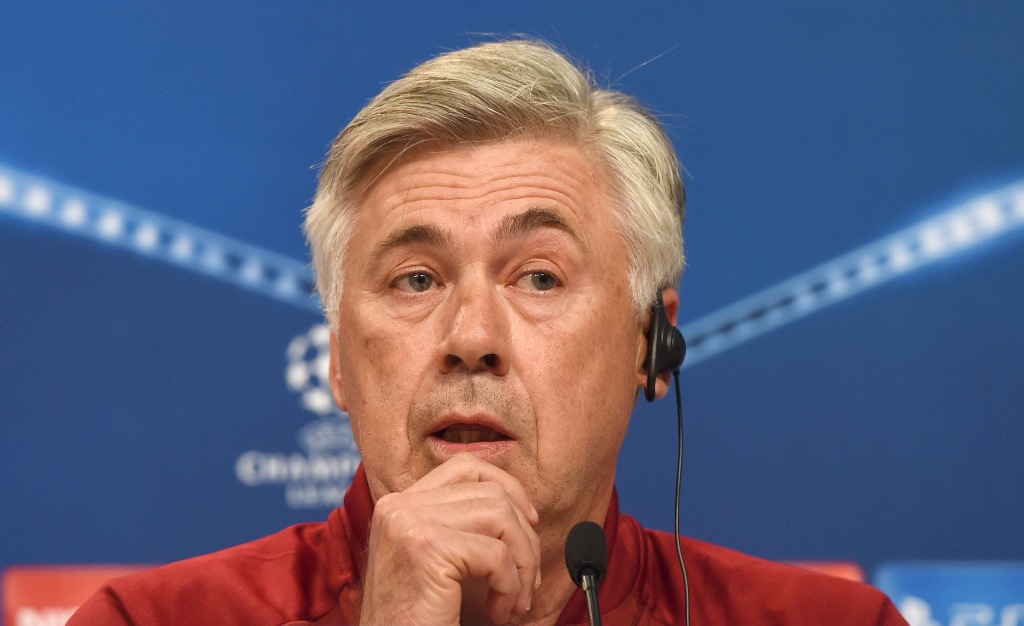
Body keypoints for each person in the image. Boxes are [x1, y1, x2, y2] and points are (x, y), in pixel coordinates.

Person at [69, 39, 908, 626]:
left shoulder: (837, 622)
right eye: (416, 280)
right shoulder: (143, 621)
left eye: (539, 276)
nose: (472, 336)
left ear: (650, 344)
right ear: (334, 357)